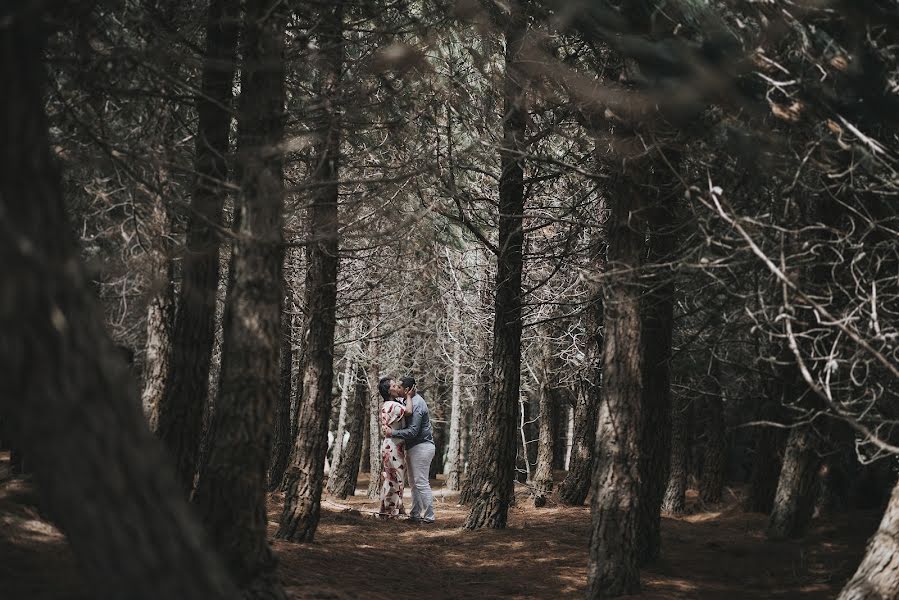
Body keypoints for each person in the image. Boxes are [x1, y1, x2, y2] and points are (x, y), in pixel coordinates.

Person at [382, 376, 436, 524]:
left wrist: (392, 433)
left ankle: (430, 517)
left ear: (406, 390)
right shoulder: (405, 402)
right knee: (414, 483)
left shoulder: (417, 404)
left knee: (421, 482)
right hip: (413, 447)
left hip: (422, 446)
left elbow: (412, 431)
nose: (396, 389)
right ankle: (415, 514)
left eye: (399, 387)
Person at [377, 376, 407, 517]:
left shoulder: (388, 404)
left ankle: (393, 508)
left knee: (392, 478)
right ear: (389, 391)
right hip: (393, 446)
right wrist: (409, 396)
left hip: (392, 445)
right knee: (395, 479)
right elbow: (408, 411)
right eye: (394, 386)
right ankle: (390, 511)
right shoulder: (392, 406)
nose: (397, 387)